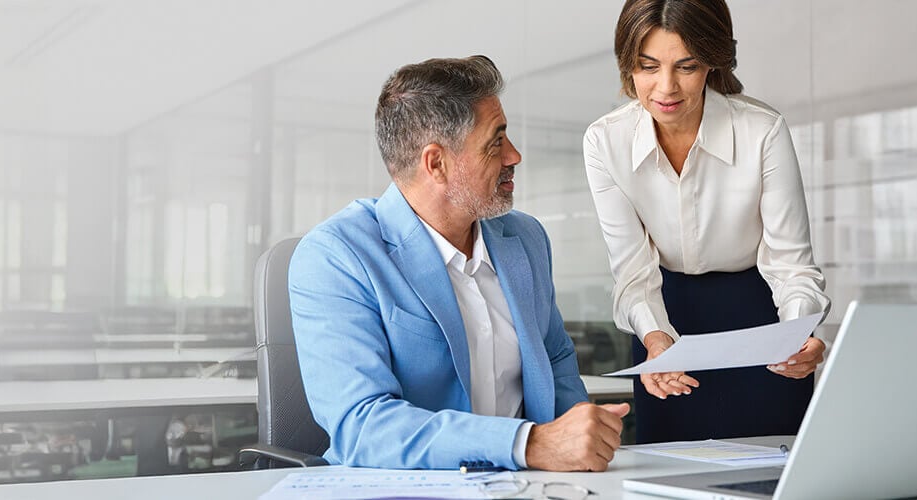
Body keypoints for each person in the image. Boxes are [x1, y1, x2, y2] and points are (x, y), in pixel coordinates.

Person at [290, 55, 628, 472]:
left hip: (536, 485)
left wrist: (581, 439)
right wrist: (527, 444)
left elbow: (555, 356)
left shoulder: (525, 238)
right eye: (496, 142)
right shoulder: (336, 256)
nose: (514, 155)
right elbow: (362, 425)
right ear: (436, 163)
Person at [584, 0, 831, 444]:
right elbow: (633, 268)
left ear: (713, 61)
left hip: (760, 315)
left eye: (687, 66)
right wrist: (656, 336)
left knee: (771, 468)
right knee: (666, 473)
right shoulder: (606, 142)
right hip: (664, 318)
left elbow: (791, 266)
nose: (666, 87)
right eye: (647, 67)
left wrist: (795, 333)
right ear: (628, 65)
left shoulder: (762, 131)